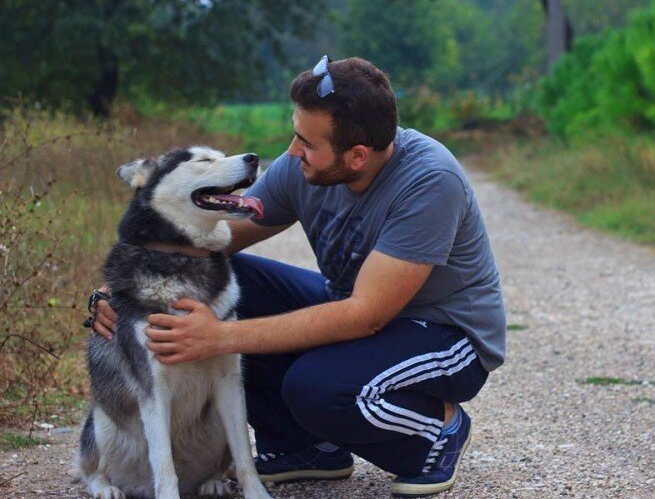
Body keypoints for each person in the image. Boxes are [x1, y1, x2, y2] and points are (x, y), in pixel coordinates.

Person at [91, 55, 506, 496]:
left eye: (306, 143)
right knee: (229, 283)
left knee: (318, 389)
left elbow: (367, 315)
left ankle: (436, 431)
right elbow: (212, 239)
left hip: (444, 336)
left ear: (357, 155)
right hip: (354, 310)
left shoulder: (429, 181)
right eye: (295, 134)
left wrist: (220, 338)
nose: (291, 152)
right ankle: (304, 448)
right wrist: (122, 287)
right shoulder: (302, 166)